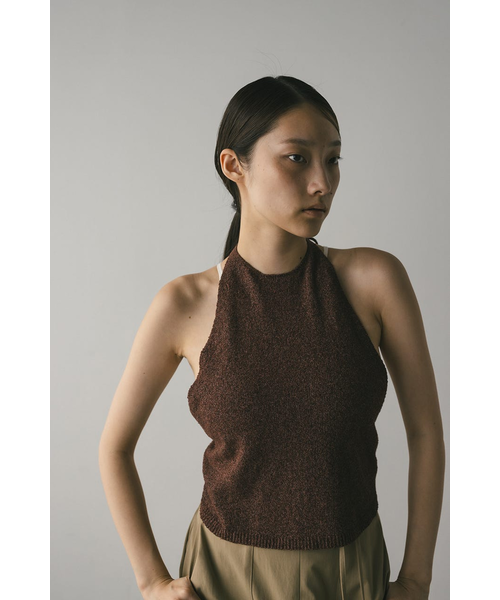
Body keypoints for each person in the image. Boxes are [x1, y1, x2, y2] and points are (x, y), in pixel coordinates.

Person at [99, 76, 445, 600]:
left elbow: (425, 433)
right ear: (233, 165)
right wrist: (152, 582)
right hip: (224, 575)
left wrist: (417, 578)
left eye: (333, 160)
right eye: (296, 158)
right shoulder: (185, 304)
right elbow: (114, 448)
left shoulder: (374, 281)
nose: (322, 183)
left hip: (352, 571)